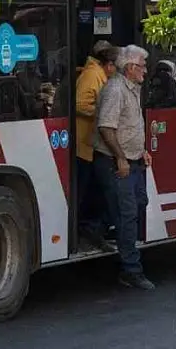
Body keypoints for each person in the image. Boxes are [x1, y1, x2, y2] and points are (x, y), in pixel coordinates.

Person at [93, 45, 154, 290]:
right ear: (130, 68)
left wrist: (141, 151)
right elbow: (106, 127)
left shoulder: (132, 89)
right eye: (142, 66)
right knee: (128, 214)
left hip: (133, 159)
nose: (146, 71)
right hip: (116, 162)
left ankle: (96, 227)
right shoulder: (116, 90)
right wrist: (120, 158)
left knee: (139, 203)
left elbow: (129, 125)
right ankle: (131, 270)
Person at [75, 41, 118, 250]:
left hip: (92, 143)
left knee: (92, 191)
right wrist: (104, 114)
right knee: (85, 191)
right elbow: (81, 105)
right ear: (107, 64)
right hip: (86, 144)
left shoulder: (97, 74)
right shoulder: (92, 75)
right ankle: (84, 231)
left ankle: (89, 230)